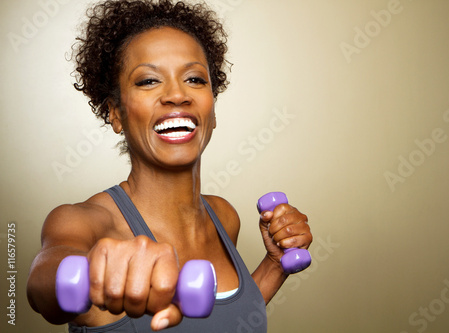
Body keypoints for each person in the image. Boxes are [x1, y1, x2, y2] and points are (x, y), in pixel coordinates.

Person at [27, 0, 313, 332]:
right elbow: (42, 285)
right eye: (148, 81)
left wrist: (275, 265)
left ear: (213, 110)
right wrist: (91, 273)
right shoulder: (84, 222)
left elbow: (225, 321)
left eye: (194, 79)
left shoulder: (223, 216)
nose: (177, 95)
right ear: (115, 113)